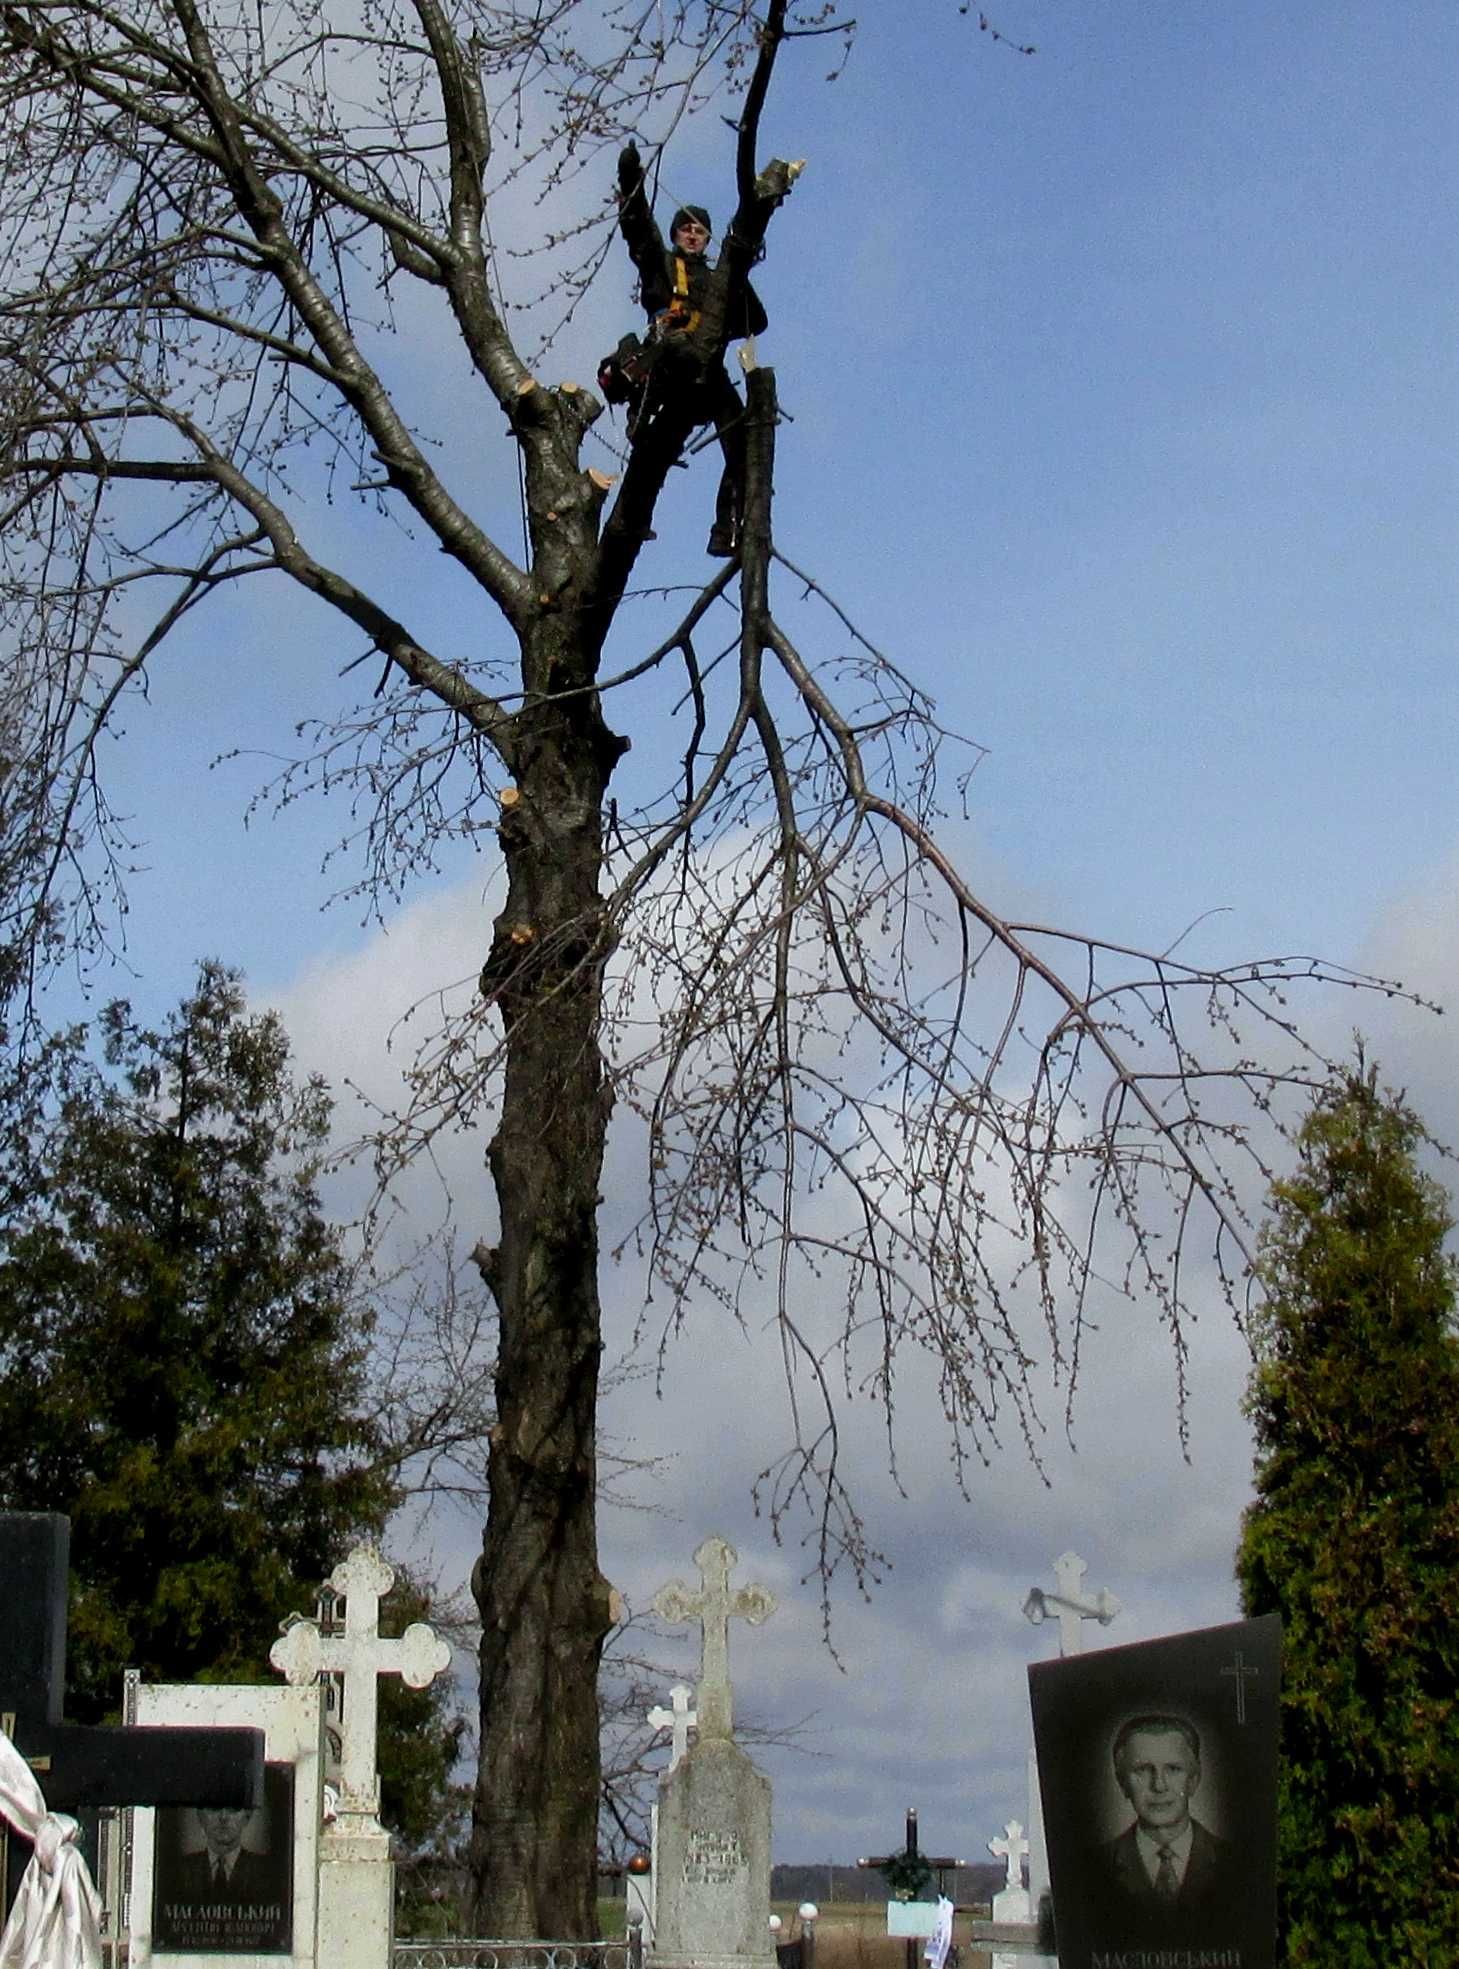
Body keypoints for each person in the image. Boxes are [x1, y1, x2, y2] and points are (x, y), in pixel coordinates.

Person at [615, 143, 768, 557]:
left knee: (744, 442)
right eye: (687, 229)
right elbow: (638, 231)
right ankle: (630, 523)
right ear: (676, 234)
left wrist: (740, 271)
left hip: (710, 374)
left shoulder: (720, 280)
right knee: (655, 453)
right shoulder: (662, 265)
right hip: (671, 363)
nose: (694, 235)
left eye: (701, 231)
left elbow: (757, 319)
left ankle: (728, 530)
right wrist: (631, 181)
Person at [1096, 1715, 1239, 1936]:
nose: (1159, 1785)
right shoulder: (1093, 1868)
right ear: (1123, 1783)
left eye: (1173, 1769)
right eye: (1143, 1770)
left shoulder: (1237, 1863)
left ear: (1193, 1780)